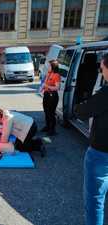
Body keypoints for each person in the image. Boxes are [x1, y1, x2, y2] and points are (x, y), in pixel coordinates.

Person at [74, 53, 108, 225]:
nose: (101, 73)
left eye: (102, 69)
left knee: (95, 201)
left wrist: (80, 104)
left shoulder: (105, 93)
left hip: (101, 154)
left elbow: (81, 111)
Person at [41, 60, 61, 136]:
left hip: (52, 96)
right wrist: (43, 88)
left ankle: (52, 130)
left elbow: (57, 87)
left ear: (53, 67)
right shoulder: (49, 74)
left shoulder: (56, 75)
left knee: (51, 113)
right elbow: (45, 83)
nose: (48, 67)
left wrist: (47, 86)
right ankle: (47, 126)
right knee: (46, 112)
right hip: (46, 95)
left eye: (49, 66)